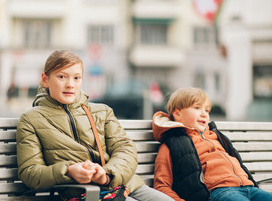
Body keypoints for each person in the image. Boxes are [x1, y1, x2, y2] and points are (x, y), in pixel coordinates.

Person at [16, 50, 173, 201]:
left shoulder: (102, 111)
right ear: (45, 79)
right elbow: (30, 172)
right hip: (84, 192)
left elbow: (126, 149)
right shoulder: (31, 120)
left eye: (77, 78)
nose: (70, 84)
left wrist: (107, 175)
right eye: (62, 77)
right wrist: (69, 171)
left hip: (124, 184)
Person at [152, 87, 272, 201]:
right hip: (219, 192)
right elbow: (161, 186)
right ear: (177, 114)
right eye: (197, 108)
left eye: (207, 110)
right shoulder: (173, 144)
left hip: (249, 188)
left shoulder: (216, 137)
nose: (204, 114)